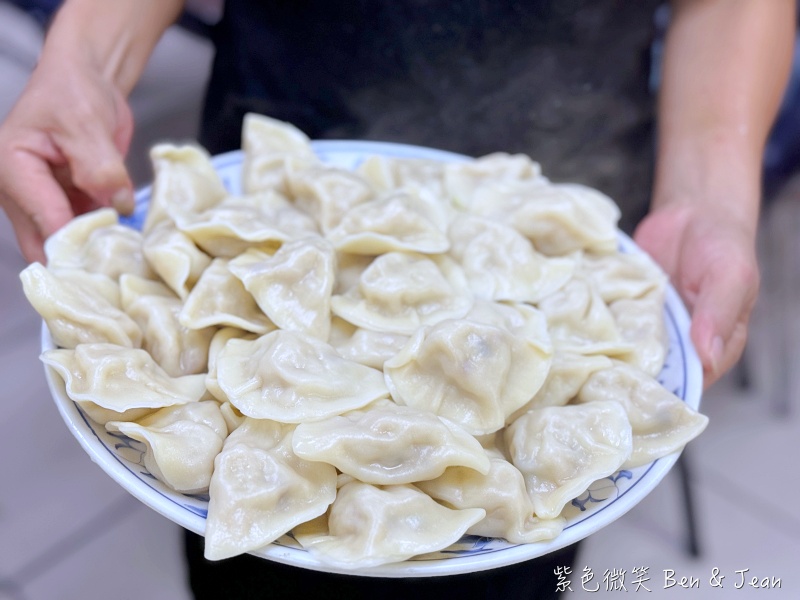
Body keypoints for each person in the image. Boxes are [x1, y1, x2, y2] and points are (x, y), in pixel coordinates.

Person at [0, 1, 794, 598]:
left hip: (567, 180)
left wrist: (711, 192)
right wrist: (85, 64)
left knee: (508, 564)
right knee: (247, 572)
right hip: (283, 130)